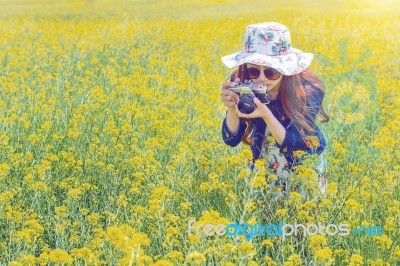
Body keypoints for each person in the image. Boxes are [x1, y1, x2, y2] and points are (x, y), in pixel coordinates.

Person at [220, 22, 330, 200]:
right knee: (266, 221)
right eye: (254, 70)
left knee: (304, 222)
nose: (261, 78)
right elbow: (230, 139)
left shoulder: (307, 90)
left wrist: (266, 114)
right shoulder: (243, 81)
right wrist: (232, 108)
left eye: (271, 72)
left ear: (284, 69)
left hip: (304, 164)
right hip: (265, 162)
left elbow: (298, 147)